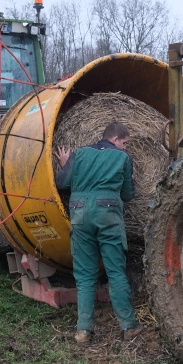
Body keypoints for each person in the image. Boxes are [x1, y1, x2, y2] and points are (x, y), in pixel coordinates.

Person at [54, 122, 142, 344]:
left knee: (84, 276)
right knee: (115, 272)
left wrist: (65, 165)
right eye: (124, 142)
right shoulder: (122, 158)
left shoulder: (79, 153)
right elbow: (128, 194)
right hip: (108, 214)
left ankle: (83, 330)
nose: (125, 147)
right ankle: (128, 326)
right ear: (115, 139)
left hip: (80, 214)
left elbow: (61, 183)